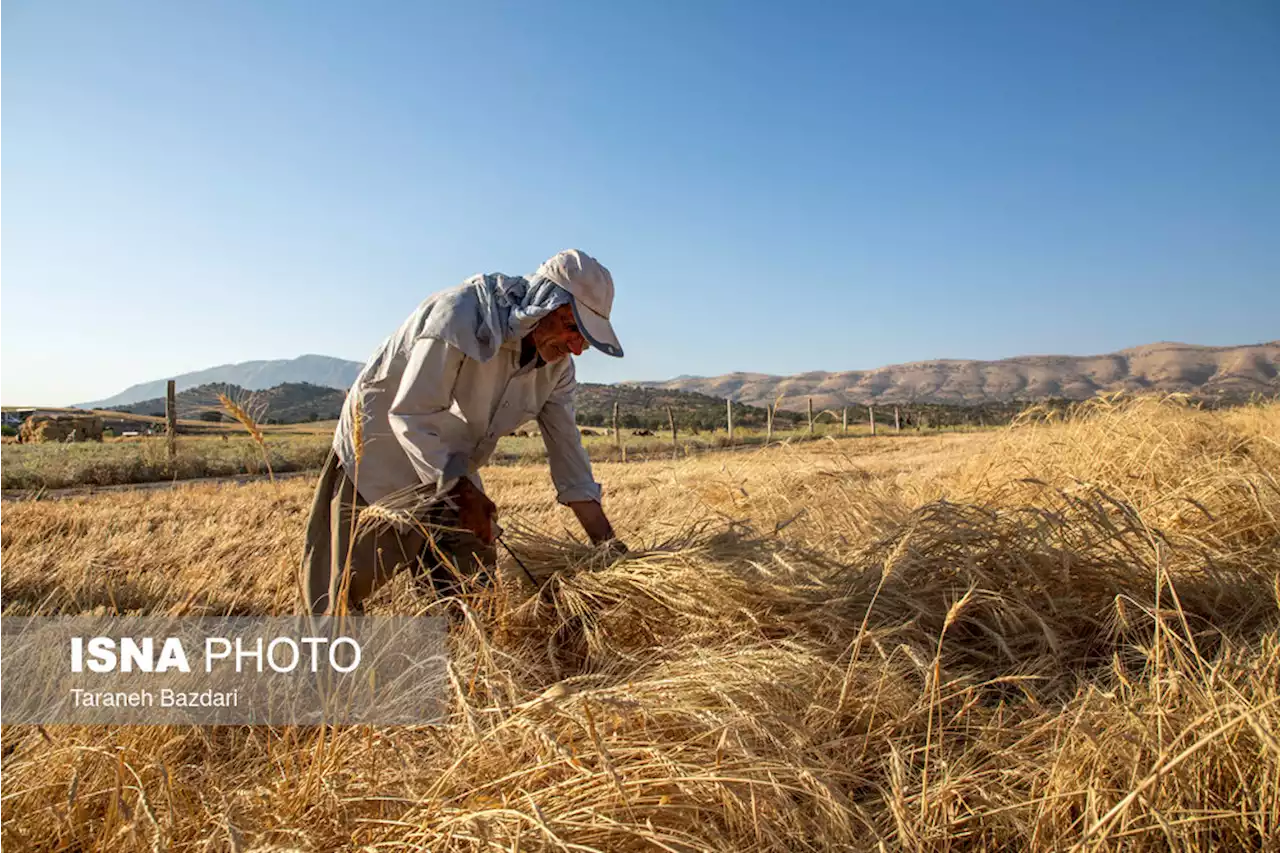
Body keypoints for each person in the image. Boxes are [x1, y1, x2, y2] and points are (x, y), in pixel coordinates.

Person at [301, 249, 626, 615]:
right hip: (378, 450)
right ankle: (327, 670)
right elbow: (411, 413)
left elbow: (570, 460)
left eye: (585, 338)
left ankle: (461, 658)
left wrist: (609, 549)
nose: (577, 349)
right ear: (543, 306)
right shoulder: (462, 315)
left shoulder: (557, 370)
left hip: (453, 459)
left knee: (473, 586)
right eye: (572, 329)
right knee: (342, 588)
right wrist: (461, 491)